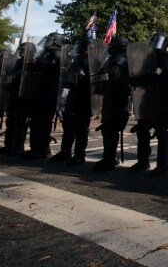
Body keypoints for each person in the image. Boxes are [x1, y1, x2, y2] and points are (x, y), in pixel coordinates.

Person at [128, 32, 168, 176]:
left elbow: (159, 73)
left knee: (161, 132)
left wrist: (147, 75)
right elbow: (140, 73)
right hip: (146, 99)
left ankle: (163, 164)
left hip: (162, 100)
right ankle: (143, 161)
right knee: (142, 131)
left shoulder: (167, 58)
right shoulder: (148, 58)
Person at [50, 35, 93, 165]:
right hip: (72, 96)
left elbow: (95, 80)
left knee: (81, 129)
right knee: (68, 126)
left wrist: (84, 76)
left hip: (84, 98)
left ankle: (79, 155)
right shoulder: (77, 59)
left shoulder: (92, 61)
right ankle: (65, 151)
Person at [92, 36, 130, 171]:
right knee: (107, 129)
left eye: (113, 45)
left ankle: (109, 159)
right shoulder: (112, 60)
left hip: (117, 100)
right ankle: (109, 157)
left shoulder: (122, 61)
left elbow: (117, 79)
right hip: (109, 99)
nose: (110, 47)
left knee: (111, 130)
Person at [27, 33, 65, 159]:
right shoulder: (44, 54)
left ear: (56, 41)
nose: (47, 42)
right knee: (35, 122)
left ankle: (44, 149)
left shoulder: (60, 54)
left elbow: (56, 73)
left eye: (50, 39)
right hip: (38, 92)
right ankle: (35, 147)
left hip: (50, 94)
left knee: (44, 123)